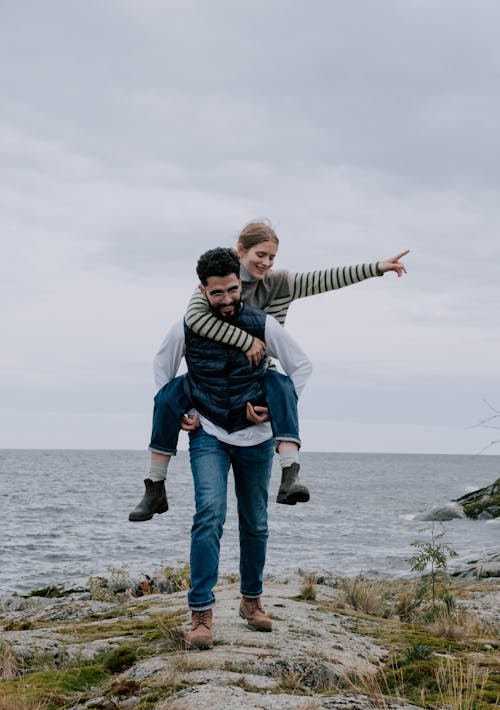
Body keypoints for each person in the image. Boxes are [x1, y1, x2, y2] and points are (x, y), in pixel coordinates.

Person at [129, 220, 409, 523]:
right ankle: (155, 485)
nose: (266, 263)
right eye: (260, 255)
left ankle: (291, 471)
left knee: (281, 386)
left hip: (254, 375)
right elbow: (194, 321)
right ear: (240, 252)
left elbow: (326, 279)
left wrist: (377, 267)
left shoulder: (279, 283)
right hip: (213, 379)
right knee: (167, 398)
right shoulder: (216, 286)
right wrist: (245, 339)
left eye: (272, 257)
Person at [152, 247, 312, 648]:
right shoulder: (184, 327)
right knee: (209, 514)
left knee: (255, 522)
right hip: (207, 431)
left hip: (255, 438)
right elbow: (162, 370)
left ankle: (251, 601)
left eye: (232, 290)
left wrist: (273, 414)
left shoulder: (262, 324)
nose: (226, 299)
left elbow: (302, 366)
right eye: (217, 292)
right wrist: (181, 410)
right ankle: (201, 613)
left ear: (241, 284)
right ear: (203, 290)